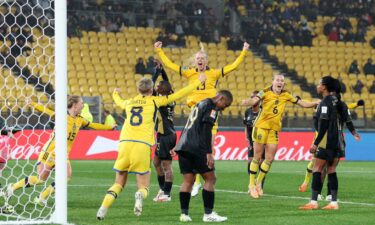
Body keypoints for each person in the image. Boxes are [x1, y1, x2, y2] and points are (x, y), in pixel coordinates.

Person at [96, 74, 206, 220]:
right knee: (143, 186)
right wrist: (198, 81)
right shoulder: (156, 101)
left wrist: (115, 92)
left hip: (124, 144)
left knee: (118, 183)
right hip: (142, 145)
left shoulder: (129, 102)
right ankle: (140, 194)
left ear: (138, 89)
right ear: (152, 89)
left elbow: (118, 101)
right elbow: (180, 93)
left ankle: (103, 208)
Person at [154, 40, 249, 197]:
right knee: (194, 147)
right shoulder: (189, 72)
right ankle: (197, 182)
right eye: (198, 58)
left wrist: (244, 51)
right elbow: (170, 65)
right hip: (194, 115)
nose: (200, 60)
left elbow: (233, 67)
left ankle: (203, 179)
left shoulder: (214, 73)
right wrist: (159, 51)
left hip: (210, 113)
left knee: (208, 146)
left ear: (206, 61)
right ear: (195, 60)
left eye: (203, 58)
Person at [3, 96, 116, 206]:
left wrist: (109, 127)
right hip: (51, 151)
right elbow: (46, 111)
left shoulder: (79, 119)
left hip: (63, 153)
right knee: (40, 179)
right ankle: (13, 187)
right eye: (81, 103)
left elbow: (93, 125)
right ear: (75, 106)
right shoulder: (62, 116)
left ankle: (41, 197)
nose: (83, 105)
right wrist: (32, 104)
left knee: (66, 176)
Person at [242, 74, 319, 199]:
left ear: (284, 83)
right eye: (277, 80)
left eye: (282, 81)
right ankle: (251, 185)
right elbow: (255, 100)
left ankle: (258, 183)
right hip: (261, 127)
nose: (279, 82)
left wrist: (315, 102)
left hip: (274, 130)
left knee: (270, 159)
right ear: (272, 81)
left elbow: (302, 103)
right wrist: (248, 102)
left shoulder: (286, 94)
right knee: (257, 156)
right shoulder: (265, 92)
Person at [299, 76, 360, 210]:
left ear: (324, 87)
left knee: (317, 169)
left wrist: (315, 143)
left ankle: (313, 202)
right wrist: (354, 133)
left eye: (319, 84)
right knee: (331, 170)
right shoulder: (341, 103)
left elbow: (324, 124)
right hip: (339, 141)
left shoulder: (325, 102)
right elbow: (348, 120)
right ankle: (333, 202)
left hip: (327, 140)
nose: (317, 85)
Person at [173, 90, 233, 222]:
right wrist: (209, 153)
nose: (224, 108)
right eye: (226, 105)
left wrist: (178, 145)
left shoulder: (200, 103)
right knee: (211, 178)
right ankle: (208, 214)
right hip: (197, 147)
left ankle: (184, 214)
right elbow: (206, 131)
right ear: (221, 98)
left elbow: (190, 125)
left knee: (188, 180)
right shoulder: (212, 108)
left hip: (184, 146)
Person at [298, 98, 364, 195]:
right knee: (315, 164)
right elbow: (307, 103)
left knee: (326, 166)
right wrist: (299, 99)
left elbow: (346, 107)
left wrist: (356, 104)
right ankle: (307, 183)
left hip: (330, 139)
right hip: (319, 140)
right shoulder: (319, 109)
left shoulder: (329, 107)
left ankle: (325, 193)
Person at [151, 62, 176, 202]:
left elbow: (149, 86)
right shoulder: (169, 96)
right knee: (156, 162)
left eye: (159, 86)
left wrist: (156, 73)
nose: (156, 86)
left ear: (162, 90)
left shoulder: (160, 100)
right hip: (164, 134)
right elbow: (167, 84)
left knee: (166, 165)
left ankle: (166, 194)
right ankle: (162, 189)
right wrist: (162, 71)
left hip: (166, 135)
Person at [243, 91, 265, 176]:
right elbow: (246, 126)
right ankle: (251, 183)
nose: (252, 99)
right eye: (251, 97)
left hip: (261, 140)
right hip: (251, 140)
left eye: (254, 97)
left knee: (261, 162)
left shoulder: (263, 111)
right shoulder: (247, 111)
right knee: (250, 161)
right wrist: (247, 139)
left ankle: (259, 185)